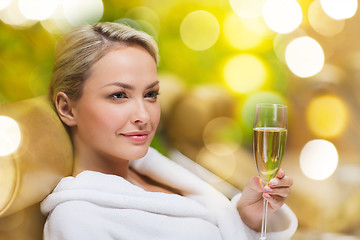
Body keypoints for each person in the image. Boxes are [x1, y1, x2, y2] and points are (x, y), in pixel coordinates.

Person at [40, 22, 297, 240]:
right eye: (119, 95)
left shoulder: (158, 173)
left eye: (151, 94)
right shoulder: (77, 218)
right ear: (67, 108)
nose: (143, 116)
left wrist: (246, 220)